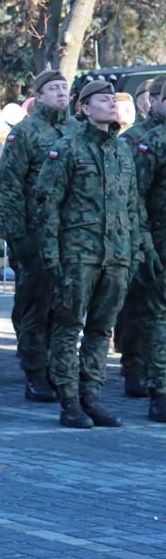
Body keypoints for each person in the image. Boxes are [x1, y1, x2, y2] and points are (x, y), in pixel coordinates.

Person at [34, 80, 142, 429]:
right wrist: (51, 254)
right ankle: (69, 401)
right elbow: (47, 204)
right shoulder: (67, 148)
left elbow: (132, 207)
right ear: (84, 108)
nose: (112, 104)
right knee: (67, 328)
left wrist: (135, 251)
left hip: (116, 256)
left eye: (114, 99)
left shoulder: (122, 151)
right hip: (78, 256)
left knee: (101, 329)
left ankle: (91, 397)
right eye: (102, 99)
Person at [0, 69, 75, 404]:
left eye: (64, 87)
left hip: (72, 237)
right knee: (36, 306)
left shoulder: (78, 131)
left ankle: (60, 370)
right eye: (53, 88)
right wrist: (18, 236)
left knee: (66, 307)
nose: (61, 93)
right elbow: (9, 188)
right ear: (39, 96)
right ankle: (35, 372)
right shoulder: (25, 132)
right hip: (35, 233)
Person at [115, 74, 166, 397]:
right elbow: (134, 195)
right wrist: (140, 241)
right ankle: (135, 366)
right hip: (149, 237)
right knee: (139, 307)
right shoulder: (138, 139)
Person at [132, 86, 166, 422]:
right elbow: (136, 197)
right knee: (158, 319)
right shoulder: (154, 141)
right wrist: (145, 242)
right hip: (160, 242)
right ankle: (159, 391)